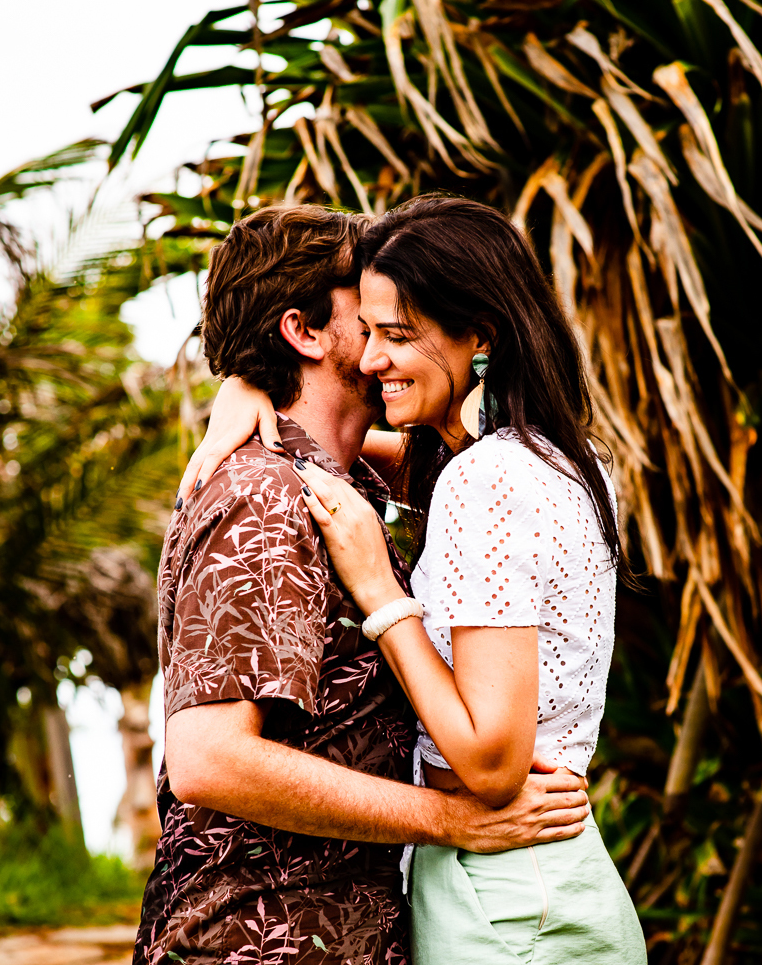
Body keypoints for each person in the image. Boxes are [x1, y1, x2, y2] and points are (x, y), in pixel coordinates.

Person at [134, 204, 590, 965]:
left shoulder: (359, 482)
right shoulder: (262, 495)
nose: (388, 318)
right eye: (369, 309)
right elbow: (208, 758)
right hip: (253, 938)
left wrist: (243, 391)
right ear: (304, 331)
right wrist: (449, 821)